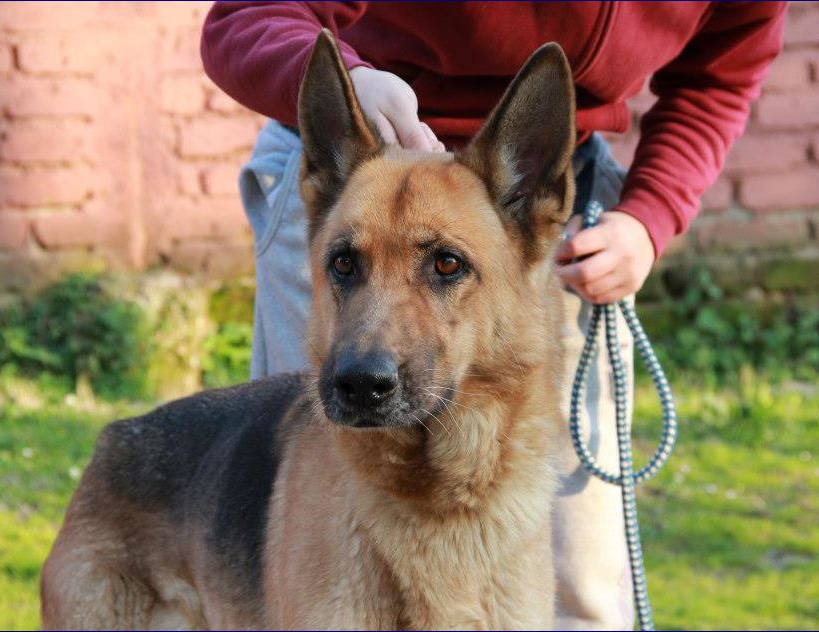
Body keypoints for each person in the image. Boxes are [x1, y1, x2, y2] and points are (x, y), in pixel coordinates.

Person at [201, 3, 786, 628]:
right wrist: (356, 79)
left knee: (579, 583)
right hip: (356, 178)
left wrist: (652, 213)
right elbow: (247, 14)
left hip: (525, 197)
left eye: (443, 267)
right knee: (312, 578)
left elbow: (722, 72)